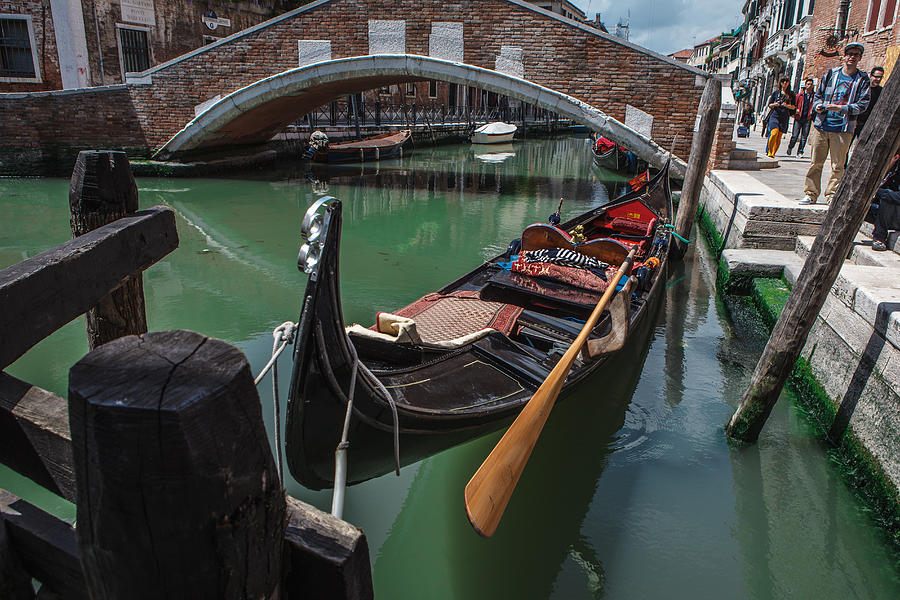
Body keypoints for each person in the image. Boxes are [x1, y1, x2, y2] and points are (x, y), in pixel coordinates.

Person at [799, 43, 871, 205]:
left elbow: (863, 104)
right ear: (843, 56)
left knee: (838, 165)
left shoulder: (862, 79)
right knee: (815, 163)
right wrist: (818, 106)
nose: (852, 56)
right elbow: (818, 95)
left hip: (843, 128)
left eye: (856, 54)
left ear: (859, 58)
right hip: (822, 125)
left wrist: (841, 108)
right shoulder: (831, 74)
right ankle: (810, 193)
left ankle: (832, 195)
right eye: (850, 53)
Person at [866, 153, 900, 251]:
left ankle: (879, 238)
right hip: (885, 214)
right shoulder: (889, 169)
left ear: (896, 157)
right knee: (856, 204)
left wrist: (876, 192)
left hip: (895, 213)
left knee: (887, 198)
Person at [765, 76, 796, 157]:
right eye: (783, 81)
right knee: (774, 133)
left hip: (784, 116)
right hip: (775, 115)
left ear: (789, 83)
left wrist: (787, 105)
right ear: (780, 83)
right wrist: (775, 104)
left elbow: (794, 107)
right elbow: (770, 105)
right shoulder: (776, 93)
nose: (785, 83)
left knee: (779, 136)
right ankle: (769, 152)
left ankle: (773, 153)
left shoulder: (791, 94)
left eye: (786, 81)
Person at [786, 78, 815, 157]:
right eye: (808, 84)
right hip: (798, 118)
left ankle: (800, 152)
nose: (809, 86)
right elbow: (794, 105)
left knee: (804, 137)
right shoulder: (799, 95)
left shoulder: (814, 96)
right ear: (805, 85)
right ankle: (790, 147)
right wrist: (796, 110)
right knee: (795, 135)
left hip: (807, 118)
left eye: (811, 84)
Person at [855, 65, 884, 138]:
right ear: (870, 75)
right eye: (876, 77)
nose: (878, 79)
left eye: (880, 77)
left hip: (867, 123)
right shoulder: (862, 87)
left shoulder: (881, 91)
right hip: (855, 121)